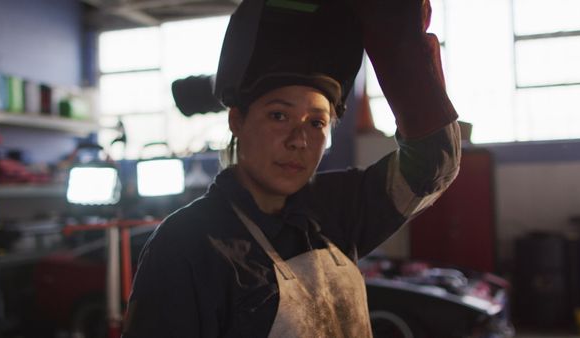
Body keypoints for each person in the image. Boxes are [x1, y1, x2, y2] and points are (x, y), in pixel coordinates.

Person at [122, 0, 461, 337]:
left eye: (316, 122)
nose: (299, 140)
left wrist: (398, 43)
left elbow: (434, 162)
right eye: (279, 116)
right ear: (237, 120)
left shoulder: (335, 210)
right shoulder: (185, 245)